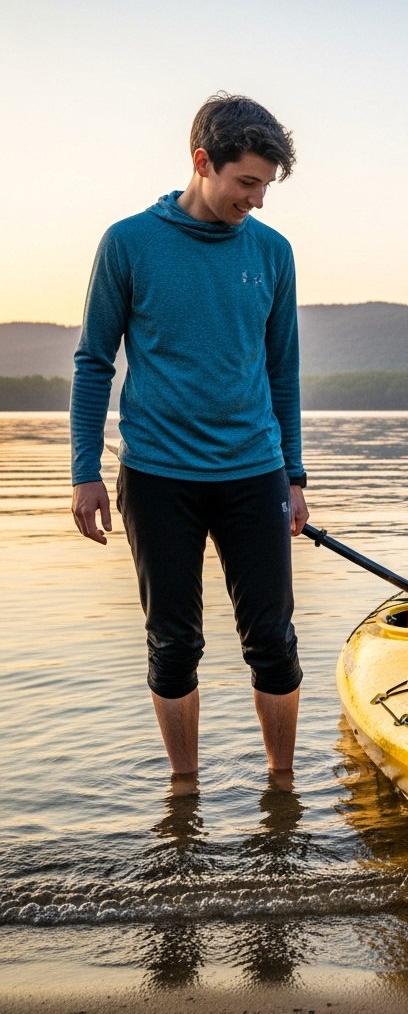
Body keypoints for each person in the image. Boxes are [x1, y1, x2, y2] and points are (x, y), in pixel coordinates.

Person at [69, 93, 308, 779]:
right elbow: (93, 363)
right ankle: (184, 795)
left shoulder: (272, 253)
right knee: (173, 644)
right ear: (203, 162)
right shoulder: (129, 243)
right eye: (247, 182)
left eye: (266, 184)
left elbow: (281, 370)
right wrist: (85, 470)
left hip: (253, 471)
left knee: (273, 642)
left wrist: (293, 476)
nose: (258, 199)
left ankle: (282, 793)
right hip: (157, 476)